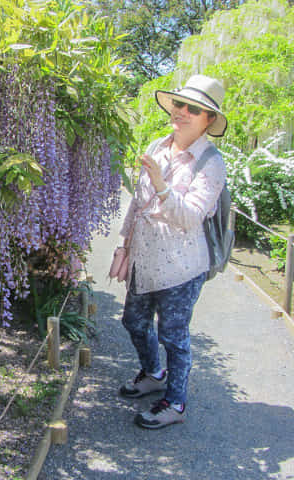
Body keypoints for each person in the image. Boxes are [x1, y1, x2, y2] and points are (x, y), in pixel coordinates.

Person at [118, 74, 228, 429]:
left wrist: (162, 185)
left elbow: (190, 216)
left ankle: (175, 403)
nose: (180, 112)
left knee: (173, 335)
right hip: (145, 260)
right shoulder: (156, 147)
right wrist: (123, 246)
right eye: (179, 104)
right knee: (133, 321)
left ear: (208, 120)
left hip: (182, 266)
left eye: (192, 109)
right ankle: (153, 372)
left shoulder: (211, 163)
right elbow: (137, 204)